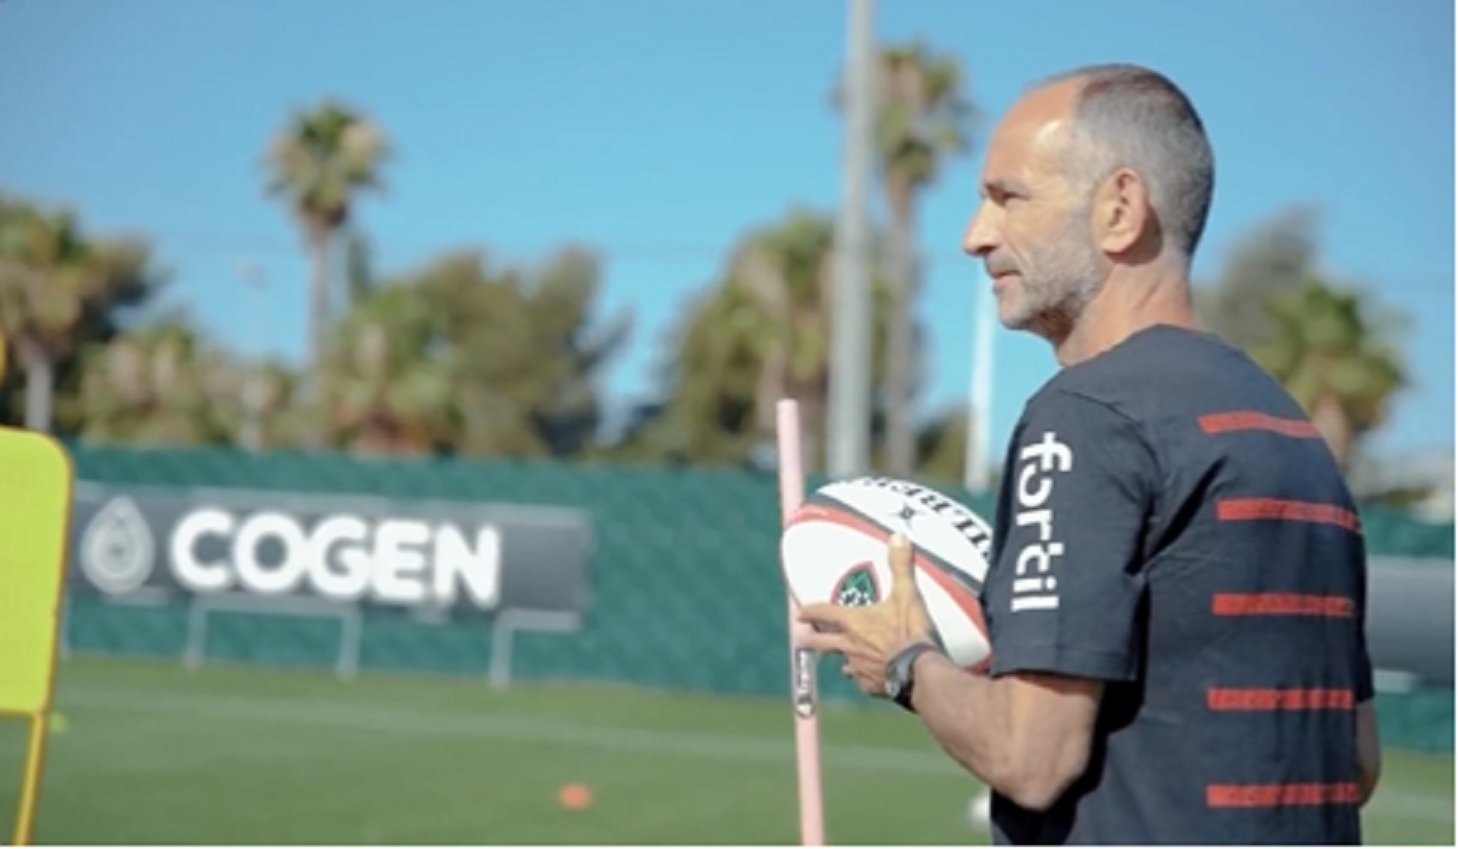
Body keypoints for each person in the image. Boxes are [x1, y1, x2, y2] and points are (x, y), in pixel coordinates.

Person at [799, 63, 1382, 845]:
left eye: (1008, 197)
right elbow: (1356, 758)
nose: (975, 234)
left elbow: (1030, 754)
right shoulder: (1292, 431)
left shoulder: (1086, 417)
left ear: (1119, 209)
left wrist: (904, 659)